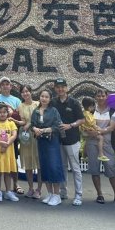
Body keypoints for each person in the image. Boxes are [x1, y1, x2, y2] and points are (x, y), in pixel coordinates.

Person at [84, 89, 115, 205]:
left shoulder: (113, 111)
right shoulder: (91, 111)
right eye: (98, 96)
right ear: (95, 97)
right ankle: (99, 194)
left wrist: (99, 132)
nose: (101, 97)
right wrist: (89, 133)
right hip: (92, 143)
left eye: (103, 95)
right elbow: (85, 127)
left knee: (111, 168)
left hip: (108, 144)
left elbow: (112, 127)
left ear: (107, 96)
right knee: (94, 169)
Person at [52, 77, 85, 206]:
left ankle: (78, 195)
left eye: (62, 87)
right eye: (58, 87)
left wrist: (70, 125)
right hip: (58, 140)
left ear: (66, 88)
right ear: (55, 88)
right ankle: (63, 192)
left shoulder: (74, 103)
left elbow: (82, 120)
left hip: (72, 140)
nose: (60, 89)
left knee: (75, 168)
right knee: (63, 167)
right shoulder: (53, 102)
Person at [0, 76, 23, 195]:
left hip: (11, 133)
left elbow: (19, 115)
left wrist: (11, 109)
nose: (5, 86)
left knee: (13, 160)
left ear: (10, 86)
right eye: (2, 84)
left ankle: (16, 184)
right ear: (0, 86)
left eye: (7, 84)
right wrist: (6, 107)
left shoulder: (16, 100)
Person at [31, 88, 64, 206]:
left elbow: (58, 125)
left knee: (54, 166)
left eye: (46, 97)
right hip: (41, 142)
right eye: (42, 96)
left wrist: (45, 130)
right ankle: (49, 193)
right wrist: (35, 129)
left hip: (52, 141)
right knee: (44, 166)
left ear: (50, 99)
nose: (44, 99)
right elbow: (32, 124)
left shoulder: (53, 111)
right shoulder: (36, 111)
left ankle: (57, 195)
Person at [0, 103, 19, 202]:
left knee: (7, 172)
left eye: (4, 112)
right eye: (0, 112)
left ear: (7, 113)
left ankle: (8, 191)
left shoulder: (11, 123)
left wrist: (7, 143)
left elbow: (14, 134)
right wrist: (0, 142)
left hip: (9, 151)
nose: (2, 114)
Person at [16, 85, 42, 199]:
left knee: (39, 164)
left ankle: (39, 189)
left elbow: (40, 119)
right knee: (28, 164)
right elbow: (22, 122)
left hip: (37, 136)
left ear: (31, 92)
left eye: (27, 91)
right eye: (23, 92)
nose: (25, 93)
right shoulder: (20, 106)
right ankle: (31, 188)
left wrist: (30, 123)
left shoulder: (37, 104)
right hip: (26, 138)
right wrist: (16, 121)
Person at [80, 97, 109, 162]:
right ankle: (101, 154)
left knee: (87, 141)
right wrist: (98, 129)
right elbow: (91, 123)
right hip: (89, 130)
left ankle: (84, 155)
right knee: (100, 138)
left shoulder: (83, 112)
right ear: (90, 107)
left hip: (84, 130)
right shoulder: (88, 114)